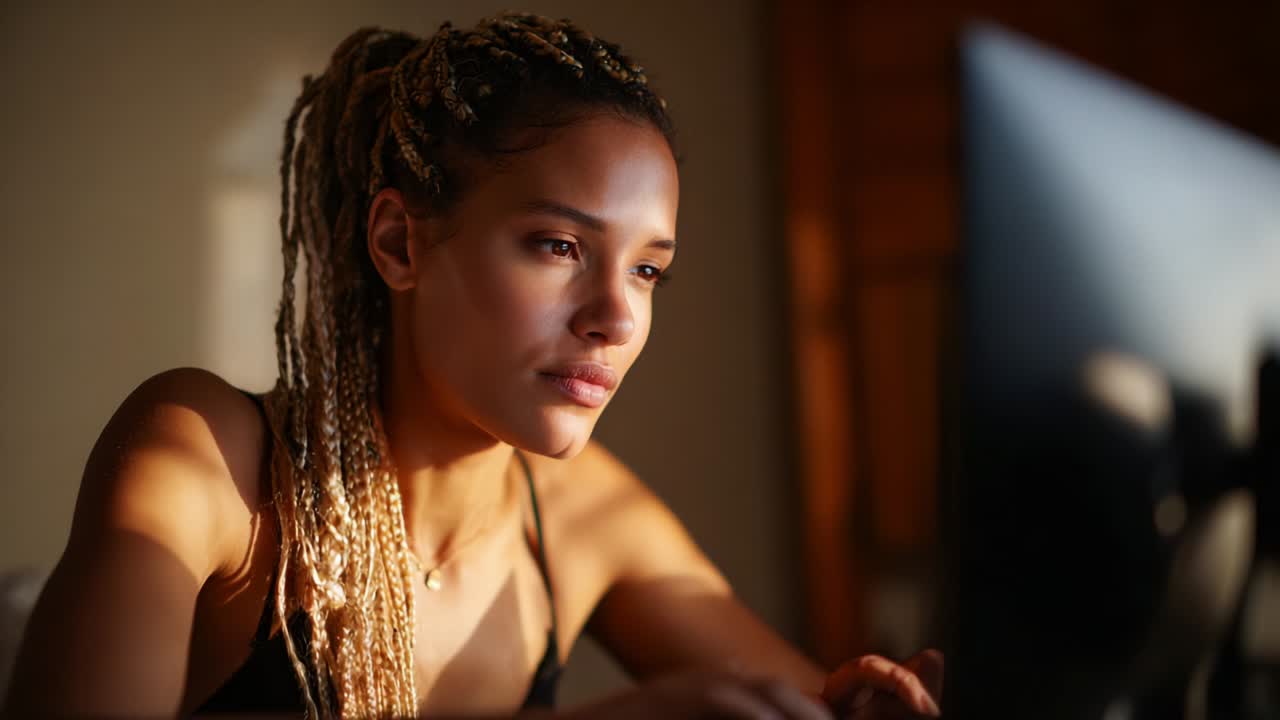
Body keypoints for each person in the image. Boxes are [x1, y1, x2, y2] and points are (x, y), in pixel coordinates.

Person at [3, 13, 942, 719]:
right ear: (399, 242)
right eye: (559, 247)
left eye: (649, 269)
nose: (618, 316)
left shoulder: (581, 519)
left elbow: (794, 703)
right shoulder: (206, 463)